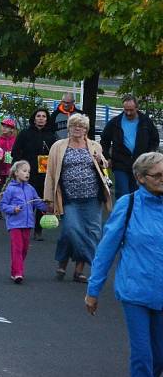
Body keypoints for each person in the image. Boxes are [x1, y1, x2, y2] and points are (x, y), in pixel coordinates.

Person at [85, 152, 163, 377]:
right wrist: (93, 290)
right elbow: (106, 251)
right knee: (142, 356)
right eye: (158, 175)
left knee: (159, 356)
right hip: (135, 291)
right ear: (140, 178)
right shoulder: (127, 205)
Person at [43, 113, 112, 283]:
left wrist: (101, 162)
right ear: (69, 128)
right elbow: (50, 174)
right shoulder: (58, 147)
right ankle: (69, 261)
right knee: (70, 230)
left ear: (86, 130)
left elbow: (104, 169)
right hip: (69, 198)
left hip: (92, 198)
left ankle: (79, 271)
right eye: (74, 125)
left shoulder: (95, 146)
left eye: (81, 126)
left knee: (92, 233)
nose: (77, 129)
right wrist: (48, 199)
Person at [100, 94, 160, 200]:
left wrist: (150, 156)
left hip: (140, 163)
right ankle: (123, 214)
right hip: (120, 163)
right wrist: (107, 157)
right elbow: (104, 140)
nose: (128, 113)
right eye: (126, 110)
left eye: (131, 110)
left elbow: (154, 140)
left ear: (137, 108)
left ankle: (135, 215)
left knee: (137, 193)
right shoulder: (115, 123)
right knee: (123, 193)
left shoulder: (146, 122)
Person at [12, 108, 57, 240]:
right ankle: (25, 226)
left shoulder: (52, 136)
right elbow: (16, 151)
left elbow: (56, 155)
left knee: (41, 201)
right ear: (34, 118)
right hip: (28, 173)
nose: (41, 118)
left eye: (44, 116)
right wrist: (18, 169)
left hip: (44, 174)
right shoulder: (25, 133)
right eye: (38, 116)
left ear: (47, 119)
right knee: (27, 201)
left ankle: (38, 229)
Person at [0, 160, 47, 284]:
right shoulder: (10, 189)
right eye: (24, 171)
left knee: (24, 249)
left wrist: (48, 208)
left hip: (28, 224)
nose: (27, 174)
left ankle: (15, 269)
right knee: (17, 248)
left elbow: (37, 201)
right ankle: (18, 273)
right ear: (16, 173)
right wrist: (13, 209)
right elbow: (3, 205)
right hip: (14, 224)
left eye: (29, 172)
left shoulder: (30, 188)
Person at [0, 118, 18, 219]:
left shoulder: (15, 141)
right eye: (3, 126)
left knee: (13, 189)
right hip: (1, 168)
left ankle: (12, 208)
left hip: (12, 168)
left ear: (12, 129)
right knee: (0, 188)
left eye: (7, 127)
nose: (4, 128)